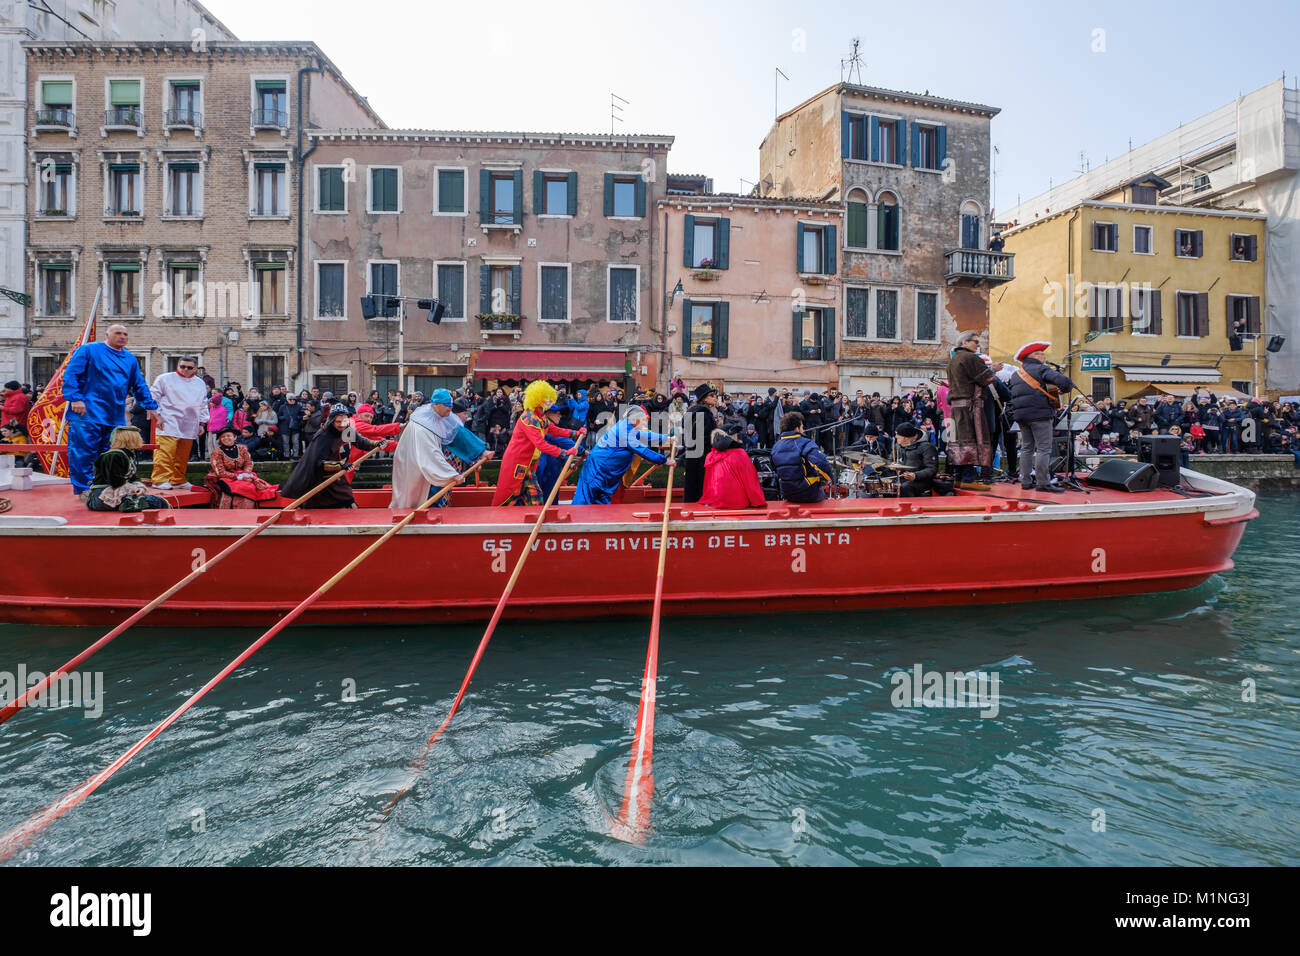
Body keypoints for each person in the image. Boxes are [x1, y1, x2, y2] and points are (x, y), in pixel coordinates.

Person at [62, 324, 159, 495]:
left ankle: (105, 484)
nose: (122, 336)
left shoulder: (130, 359)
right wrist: (75, 398)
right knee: (83, 451)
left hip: (114, 414)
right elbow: (70, 374)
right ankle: (83, 488)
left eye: (125, 334)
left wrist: (150, 406)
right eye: (118, 333)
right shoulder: (89, 350)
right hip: (87, 412)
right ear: (107, 334)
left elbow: (139, 385)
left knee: (112, 452)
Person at [390, 390, 490, 509]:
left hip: (433, 466)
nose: (450, 407)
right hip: (414, 464)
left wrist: (481, 452)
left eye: (451, 404)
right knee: (415, 495)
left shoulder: (442, 416)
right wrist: (451, 475)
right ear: (437, 405)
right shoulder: (423, 426)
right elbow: (431, 454)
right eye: (447, 405)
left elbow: (458, 433)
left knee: (434, 490)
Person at [492, 382, 582, 507]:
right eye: (547, 398)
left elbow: (555, 430)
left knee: (533, 495)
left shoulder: (541, 417)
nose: (550, 401)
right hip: (517, 462)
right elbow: (541, 444)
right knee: (510, 495)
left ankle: (532, 518)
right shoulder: (529, 418)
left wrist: (575, 433)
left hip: (528, 464)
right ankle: (503, 519)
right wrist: (564, 452)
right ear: (538, 399)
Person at [1008, 341, 1074, 494]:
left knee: (1026, 448)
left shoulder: (1016, 373)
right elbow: (1064, 382)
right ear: (1034, 356)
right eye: (1041, 354)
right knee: (1044, 448)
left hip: (1022, 416)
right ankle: (1043, 482)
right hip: (1040, 414)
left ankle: (1025, 481)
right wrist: (1064, 389)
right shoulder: (1041, 368)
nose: (1044, 356)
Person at [280, 406, 378, 508]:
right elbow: (318, 463)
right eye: (338, 422)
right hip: (320, 480)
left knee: (349, 502)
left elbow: (362, 442)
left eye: (344, 421)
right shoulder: (323, 436)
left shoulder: (347, 431)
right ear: (332, 421)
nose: (341, 425)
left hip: (338, 478)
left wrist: (376, 443)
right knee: (315, 506)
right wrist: (340, 465)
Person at [572, 405, 669, 505]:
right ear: (635, 419)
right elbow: (641, 449)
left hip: (604, 474)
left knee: (601, 505)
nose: (645, 423)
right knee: (584, 502)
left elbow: (644, 435)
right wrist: (664, 460)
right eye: (643, 420)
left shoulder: (628, 426)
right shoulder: (624, 430)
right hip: (596, 472)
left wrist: (665, 438)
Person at [945, 331, 997, 491]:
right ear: (964, 343)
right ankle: (968, 478)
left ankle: (959, 477)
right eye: (975, 341)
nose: (978, 344)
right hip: (969, 408)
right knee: (971, 440)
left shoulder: (953, 361)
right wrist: (993, 369)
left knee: (958, 442)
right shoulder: (971, 358)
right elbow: (986, 378)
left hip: (956, 408)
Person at [148, 356, 207, 490]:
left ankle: (178, 479)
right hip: (168, 419)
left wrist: (202, 423)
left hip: (190, 422)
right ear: (177, 366)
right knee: (165, 450)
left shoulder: (200, 383)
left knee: (183, 453)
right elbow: (153, 397)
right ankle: (159, 479)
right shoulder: (164, 378)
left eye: (189, 367)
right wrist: (157, 415)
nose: (185, 369)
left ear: (195, 368)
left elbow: (203, 403)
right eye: (182, 366)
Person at [84, 426, 169, 512]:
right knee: (155, 501)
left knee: (153, 500)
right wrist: (133, 489)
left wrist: (139, 487)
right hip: (102, 496)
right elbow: (115, 481)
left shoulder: (128, 454)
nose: (141, 439)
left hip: (116, 492)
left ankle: (131, 504)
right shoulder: (113, 456)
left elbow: (133, 478)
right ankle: (130, 504)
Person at [771, 410, 833, 504]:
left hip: (787, 493)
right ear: (797, 429)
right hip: (808, 492)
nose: (803, 430)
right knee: (822, 494)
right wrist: (831, 479)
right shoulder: (805, 443)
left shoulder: (775, 447)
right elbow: (821, 463)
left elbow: (775, 468)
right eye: (802, 427)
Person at [208, 426, 275, 509]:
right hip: (224, 477)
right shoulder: (217, 452)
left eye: (228, 436)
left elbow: (248, 463)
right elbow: (220, 472)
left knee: (254, 484)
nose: (226, 438)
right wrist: (238, 477)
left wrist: (245, 473)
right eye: (223, 437)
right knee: (243, 487)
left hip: (241, 474)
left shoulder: (242, 448)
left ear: (234, 437)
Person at [699, 430, 765, 509]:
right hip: (739, 502)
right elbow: (750, 481)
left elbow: (708, 485)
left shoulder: (710, 456)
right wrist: (758, 501)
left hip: (715, 502)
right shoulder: (740, 453)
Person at [682, 383, 718, 503]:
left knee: (691, 483)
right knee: (701, 483)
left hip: (691, 452)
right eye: (712, 395)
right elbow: (707, 436)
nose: (715, 398)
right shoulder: (705, 414)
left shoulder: (689, 413)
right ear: (704, 399)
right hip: (703, 454)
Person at [892, 423, 938, 497]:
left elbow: (932, 468)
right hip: (902, 478)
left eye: (898, 435)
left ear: (906, 438)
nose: (895, 436)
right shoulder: (898, 446)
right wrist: (892, 465)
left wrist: (915, 475)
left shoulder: (927, 447)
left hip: (922, 481)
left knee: (905, 487)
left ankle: (909, 507)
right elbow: (890, 459)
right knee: (888, 486)